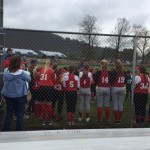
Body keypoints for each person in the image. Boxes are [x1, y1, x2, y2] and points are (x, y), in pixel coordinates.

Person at [1, 55, 31, 131]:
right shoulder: (21, 73)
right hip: (20, 96)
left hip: (8, 95)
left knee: (9, 111)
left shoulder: (6, 71)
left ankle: (6, 129)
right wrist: (22, 70)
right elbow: (29, 79)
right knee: (20, 113)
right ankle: (19, 130)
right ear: (19, 63)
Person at [39, 59, 55, 126]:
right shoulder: (51, 71)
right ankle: (50, 120)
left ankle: (44, 121)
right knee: (49, 104)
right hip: (49, 88)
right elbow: (53, 80)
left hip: (42, 87)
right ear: (51, 64)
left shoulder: (42, 69)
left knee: (43, 104)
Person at [110, 59, 127, 124]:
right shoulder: (124, 71)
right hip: (122, 88)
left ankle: (116, 119)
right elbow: (125, 80)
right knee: (120, 103)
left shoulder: (114, 71)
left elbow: (111, 80)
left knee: (115, 103)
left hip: (115, 87)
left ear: (115, 64)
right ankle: (119, 120)